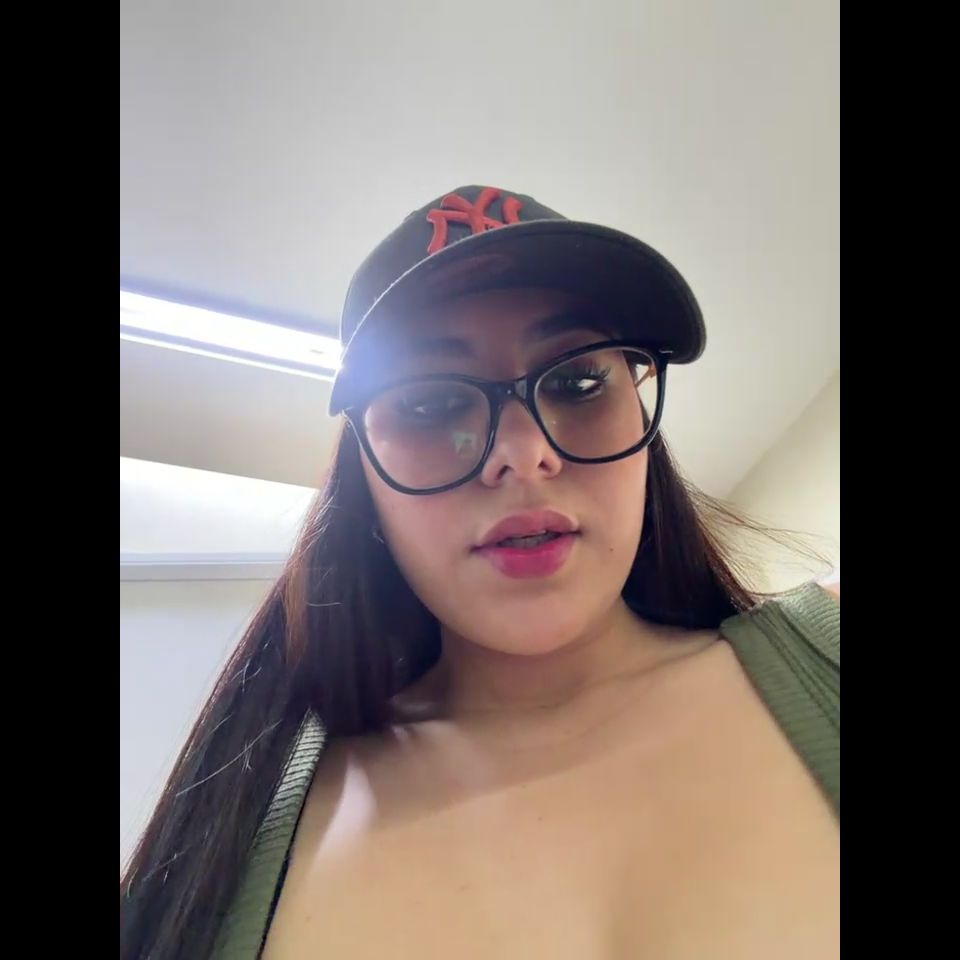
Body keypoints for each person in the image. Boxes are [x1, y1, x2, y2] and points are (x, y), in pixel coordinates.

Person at [121, 185, 840, 960]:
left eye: (577, 381)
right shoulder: (238, 819)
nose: (524, 455)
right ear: (365, 477)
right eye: (431, 405)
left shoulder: (823, 658)